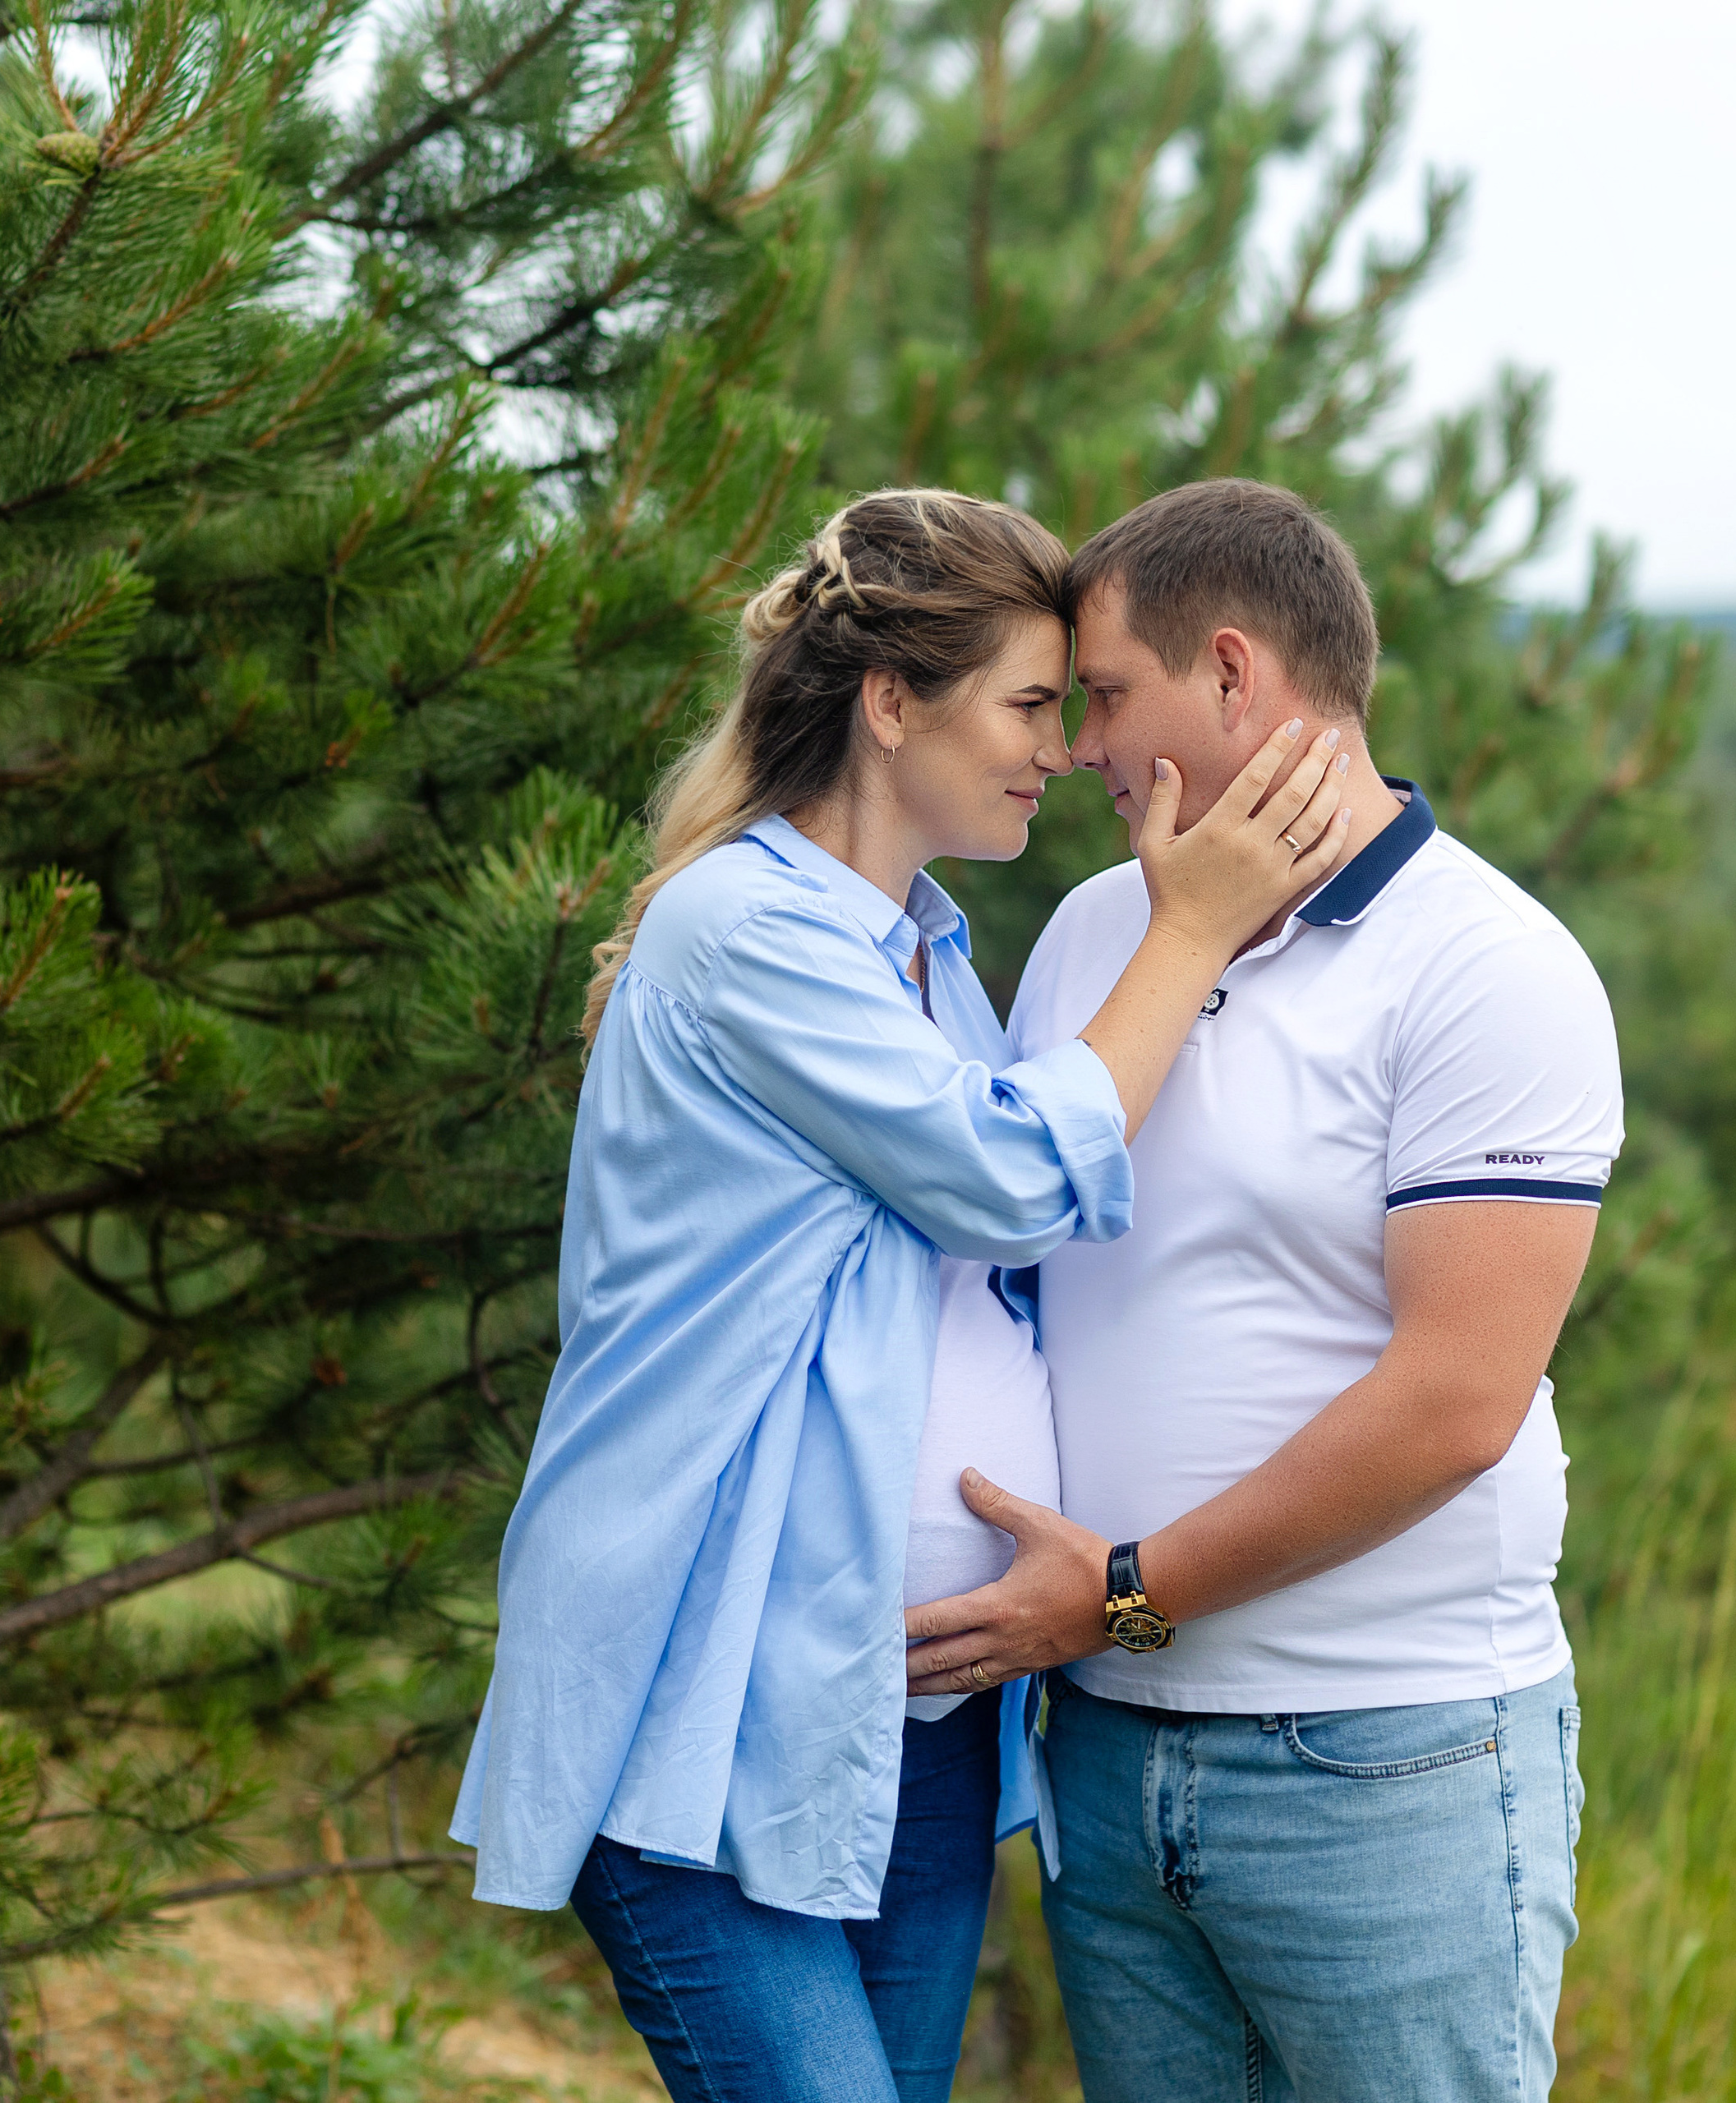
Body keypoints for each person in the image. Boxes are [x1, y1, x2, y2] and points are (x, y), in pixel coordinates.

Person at [449, 488, 1352, 2103]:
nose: (1063, 748)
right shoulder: (744, 927)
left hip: (911, 1714)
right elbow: (1004, 1173)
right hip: (704, 1697)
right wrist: (1193, 926)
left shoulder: (922, 947)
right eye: (1025, 703)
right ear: (888, 702)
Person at [905, 478, 1622, 2103]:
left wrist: (1126, 1586)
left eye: (1101, 695)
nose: (1078, 743)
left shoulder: (1486, 967)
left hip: (1379, 1758)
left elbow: (1453, 1403)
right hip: (1100, 1745)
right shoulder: (1099, 930)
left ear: (1230, 673)